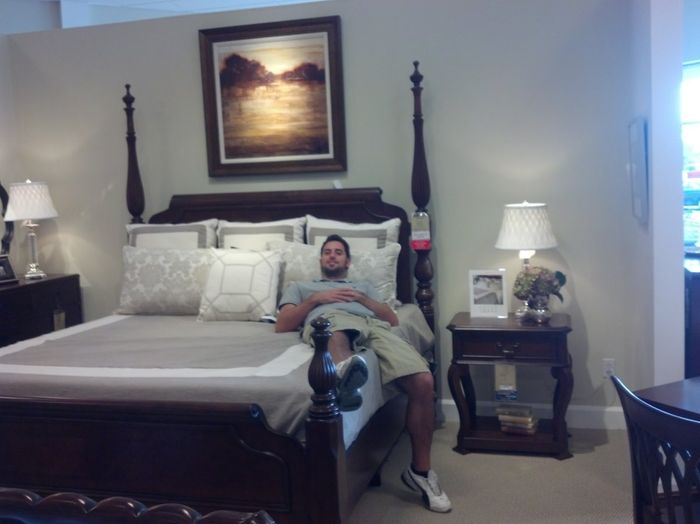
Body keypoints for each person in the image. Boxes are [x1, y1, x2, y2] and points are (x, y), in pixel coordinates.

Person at [275, 234, 451, 513]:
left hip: (373, 326)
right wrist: (316, 300)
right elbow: (282, 325)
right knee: (334, 329)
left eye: (338, 252)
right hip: (328, 321)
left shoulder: (364, 287)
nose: (332, 255)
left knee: (423, 381)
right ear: (320, 259)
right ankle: (345, 374)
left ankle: (421, 472)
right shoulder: (301, 287)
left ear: (347, 261)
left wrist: (363, 299)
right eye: (327, 252)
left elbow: (392, 319)